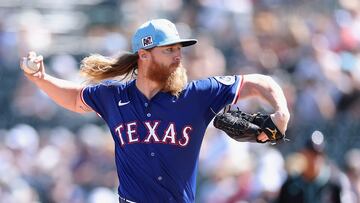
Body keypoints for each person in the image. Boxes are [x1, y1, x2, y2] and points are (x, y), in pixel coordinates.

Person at [21, 19, 290, 203]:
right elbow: (74, 98)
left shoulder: (196, 95)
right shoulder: (115, 97)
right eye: (169, 49)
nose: (178, 56)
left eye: (179, 49)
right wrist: (40, 79)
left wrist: (281, 111)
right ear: (144, 55)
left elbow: (259, 82)